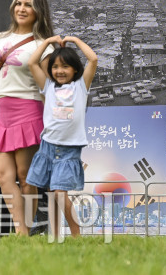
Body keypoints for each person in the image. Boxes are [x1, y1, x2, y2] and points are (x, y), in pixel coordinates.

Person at [0, 0, 56, 236]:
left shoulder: (43, 45)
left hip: (29, 109)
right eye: (18, 3)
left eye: (28, 5)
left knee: (25, 176)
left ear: (38, 11)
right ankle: (20, 230)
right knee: (3, 175)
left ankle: (25, 232)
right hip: (3, 113)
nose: (21, 8)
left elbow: (48, 85)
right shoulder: (0, 39)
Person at [25, 35, 97, 239]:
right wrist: (48, 43)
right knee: (38, 187)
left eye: (65, 66)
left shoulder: (81, 86)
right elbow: (32, 62)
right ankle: (45, 228)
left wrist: (74, 40)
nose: (59, 71)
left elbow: (93, 59)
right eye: (55, 67)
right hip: (48, 145)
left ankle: (75, 233)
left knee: (58, 193)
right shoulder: (48, 86)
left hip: (69, 149)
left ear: (75, 69)